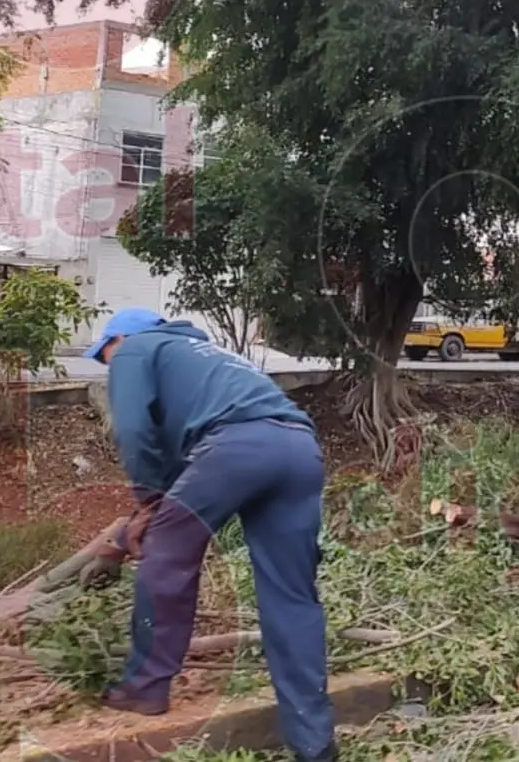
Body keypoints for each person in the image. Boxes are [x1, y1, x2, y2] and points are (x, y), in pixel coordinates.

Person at [79, 308, 337, 762]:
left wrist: (147, 503)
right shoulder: (210, 359)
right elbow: (186, 477)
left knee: (167, 555)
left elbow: (134, 432)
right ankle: (314, 742)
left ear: (120, 338)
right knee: (292, 596)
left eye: (105, 354)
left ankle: (145, 686)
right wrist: (127, 532)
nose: (108, 365)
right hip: (299, 449)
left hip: (236, 448)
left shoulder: (134, 349)